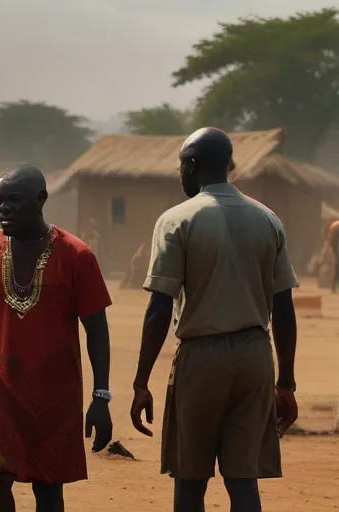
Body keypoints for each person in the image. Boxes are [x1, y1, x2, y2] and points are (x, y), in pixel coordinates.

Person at [129, 128, 299, 512]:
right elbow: (284, 308)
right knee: (243, 479)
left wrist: (141, 381)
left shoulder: (177, 220)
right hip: (256, 356)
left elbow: (159, 308)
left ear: (190, 167)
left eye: (181, 166)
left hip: (201, 358)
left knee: (190, 478)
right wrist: (285, 381)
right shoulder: (267, 219)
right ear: (229, 165)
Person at [0, 164, 113, 512]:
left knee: (48, 488)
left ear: (41, 199)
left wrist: (101, 397)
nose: (5, 208)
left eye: (15, 200)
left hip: (56, 392)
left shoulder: (76, 256)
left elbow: (97, 329)